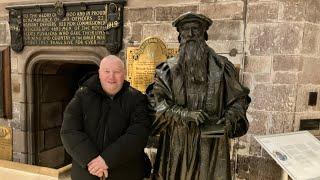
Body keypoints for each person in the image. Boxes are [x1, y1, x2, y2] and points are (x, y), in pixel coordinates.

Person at [148, 12, 251, 180]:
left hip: (211, 144)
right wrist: (184, 114)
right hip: (178, 143)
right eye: (185, 30)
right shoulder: (167, 70)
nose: (190, 34)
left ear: (204, 33)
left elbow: (239, 100)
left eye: (195, 29)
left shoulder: (222, 67)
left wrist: (229, 118)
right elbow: (156, 103)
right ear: (179, 35)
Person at [60, 55, 152, 180]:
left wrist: (106, 160)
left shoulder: (136, 99)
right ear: (99, 73)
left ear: (124, 74)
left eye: (117, 72)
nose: (111, 77)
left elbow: (139, 134)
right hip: (87, 173)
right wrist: (92, 161)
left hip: (126, 174)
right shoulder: (82, 96)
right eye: (107, 71)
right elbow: (69, 131)